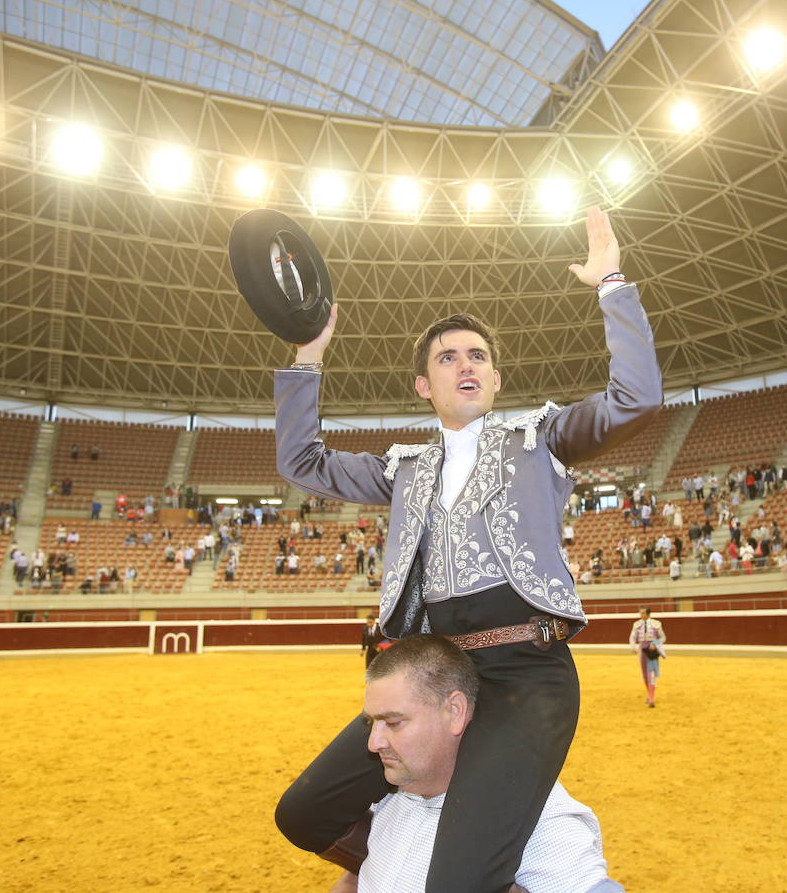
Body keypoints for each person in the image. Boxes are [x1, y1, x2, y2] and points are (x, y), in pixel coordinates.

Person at [274, 206, 660, 892]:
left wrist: (612, 284)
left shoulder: (540, 440)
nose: (465, 365)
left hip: (526, 674)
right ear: (425, 386)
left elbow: (635, 397)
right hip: (433, 680)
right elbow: (302, 461)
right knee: (303, 812)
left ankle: (472, 861)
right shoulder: (403, 469)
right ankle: (451, 858)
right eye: (447, 358)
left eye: (478, 355)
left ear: (497, 379)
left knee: (455, 882)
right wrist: (308, 356)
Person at [329, 635, 620, 893]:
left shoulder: (532, 818)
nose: (373, 743)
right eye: (372, 723)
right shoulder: (388, 794)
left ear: (454, 711)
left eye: (393, 722)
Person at [628, 607, 666, 708]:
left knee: (651, 674)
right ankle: (649, 695)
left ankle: (651, 698)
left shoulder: (656, 624)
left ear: (648, 614)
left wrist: (655, 643)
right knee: (645, 675)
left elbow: (663, 637)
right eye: (640, 613)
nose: (641, 615)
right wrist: (633, 647)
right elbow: (632, 637)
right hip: (642, 650)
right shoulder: (637, 624)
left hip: (652, 650)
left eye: (643, 613)